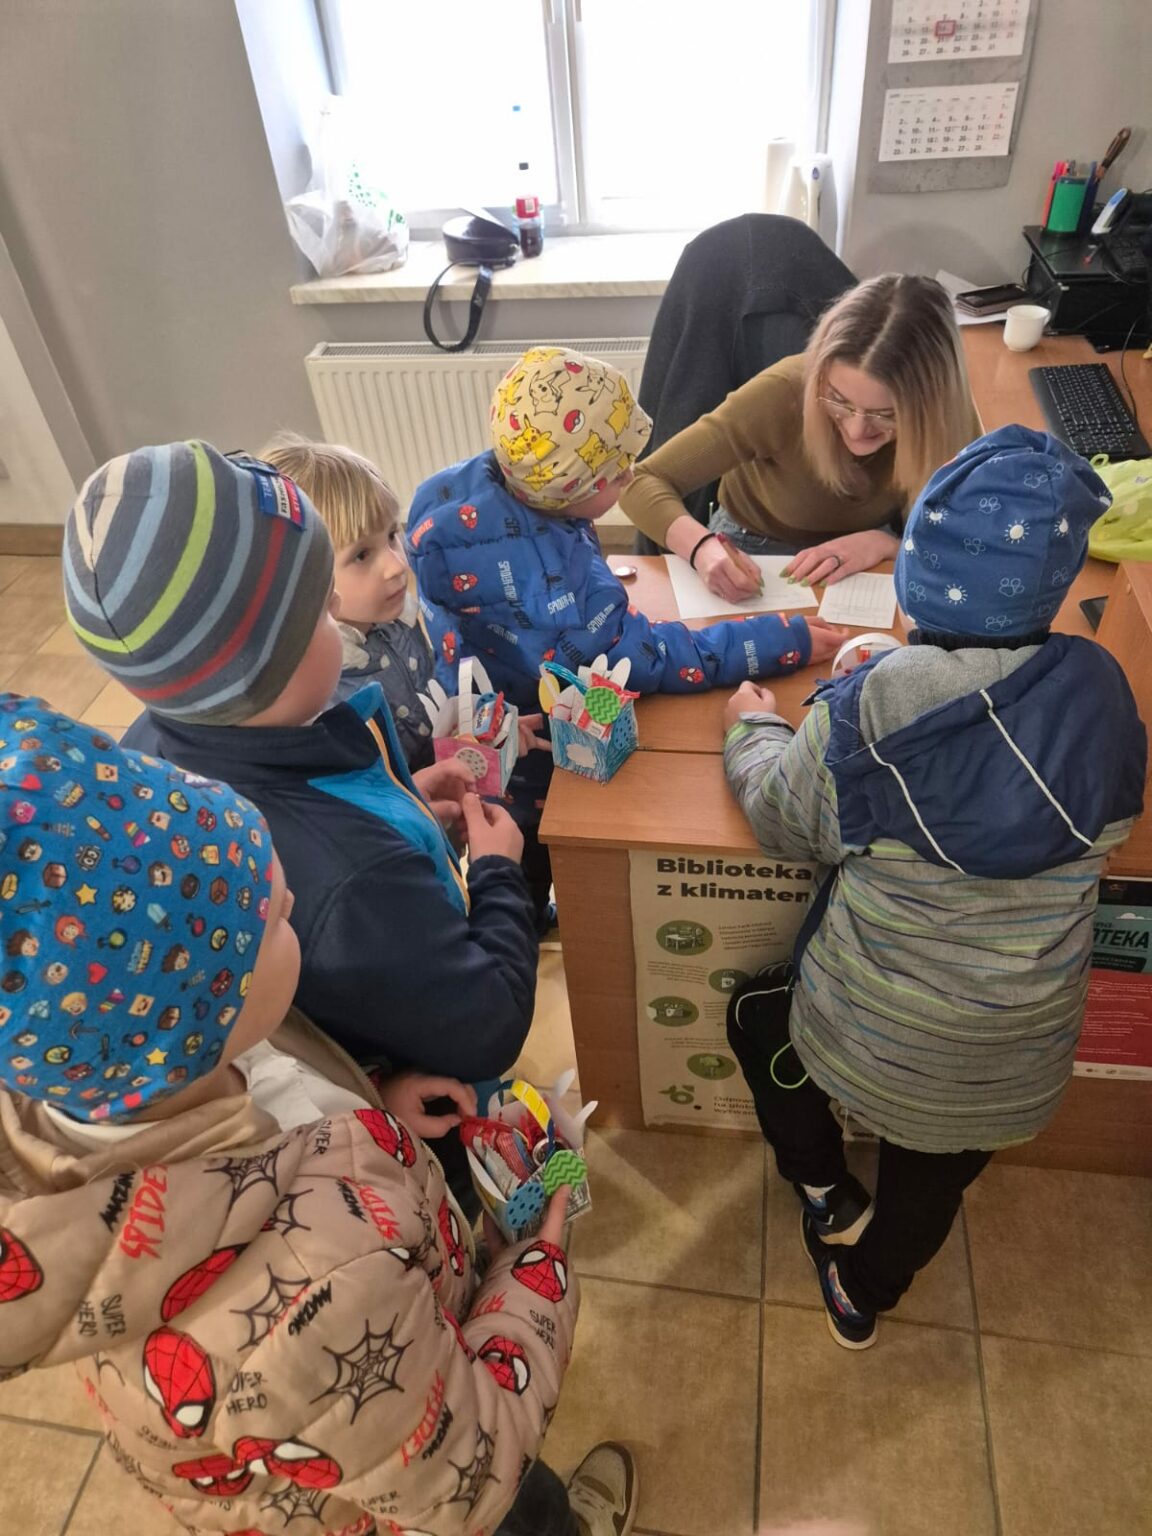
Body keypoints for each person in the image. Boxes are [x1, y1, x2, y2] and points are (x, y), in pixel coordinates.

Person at [0, 697, 636, 1536]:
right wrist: (535, 1263)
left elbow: (277, 1078)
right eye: (274, 918)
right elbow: (471, 1468)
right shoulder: (311, 1290)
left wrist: (372, 1096)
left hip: (397, 1348)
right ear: (204, 1014)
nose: (296, 895)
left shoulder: (137, 1069)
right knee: (518, 1510)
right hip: (410, 1485)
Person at [719, 425, 1145, 1350]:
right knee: (935, 1173)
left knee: (756, 1018)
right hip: (1016, 1060)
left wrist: (753, 729)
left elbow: (781, 819)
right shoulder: (1104, 692)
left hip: (873, 1032)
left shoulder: (870, 707)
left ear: (914, 580)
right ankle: (862, 1292)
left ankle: (825, 1188)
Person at [64, 441, 538, 1090]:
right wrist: (497, 873)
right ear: (263, 662)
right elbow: (489, 1027)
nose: (338, 610)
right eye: (319, 607)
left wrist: (404, 807)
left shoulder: (152, 741)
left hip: (359, 1064)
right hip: (426, 1096)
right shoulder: (354, 880)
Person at [407, 345, 845, 922]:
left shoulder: (450, 491)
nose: (632, 476)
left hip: (479, 726)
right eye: (615, 474)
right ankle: (531, 922)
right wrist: (782, 639)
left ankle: (523, 913)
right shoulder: (566, 597)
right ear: (569, 492)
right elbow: (657, 658)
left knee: (507, 842)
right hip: (540, 753)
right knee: (544, 848)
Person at [620, 272, 982, 603]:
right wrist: (701, 547)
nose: (857, 430)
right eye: (838, 400)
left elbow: (968, 546)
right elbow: (639, 481)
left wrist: (890, 544)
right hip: (755, 549)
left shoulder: (950, 418)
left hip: (870, 551)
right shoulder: (784, 391)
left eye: (885, 414)